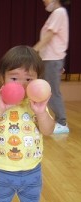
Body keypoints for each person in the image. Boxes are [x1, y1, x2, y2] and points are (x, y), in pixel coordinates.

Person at [0, 46, 55, 202]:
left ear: (38, 80)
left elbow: (48, 130)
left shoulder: (36, 104)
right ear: (2, 78)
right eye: (14, 78)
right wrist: (0, 108)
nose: (21, 84)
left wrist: (42, 113)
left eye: (29, 79)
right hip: (2, 170)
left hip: (32, 170)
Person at [33, 0, 70, 134]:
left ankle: (62, 122)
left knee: (52, 91)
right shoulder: (57, 13)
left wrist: (34, 50)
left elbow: (48, 36)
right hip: (49, 59)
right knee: (44, 91)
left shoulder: (59, 12)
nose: (44, 1)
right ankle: (45, 121)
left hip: (53, 59)